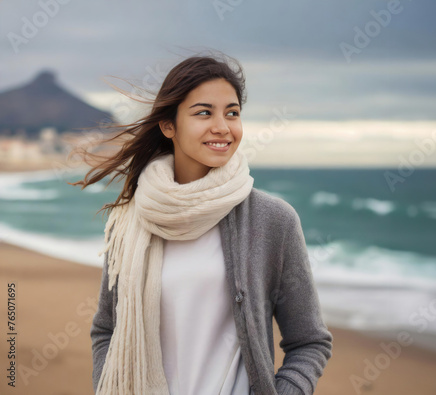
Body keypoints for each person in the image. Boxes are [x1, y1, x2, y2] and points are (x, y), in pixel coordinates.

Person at [72, 50, 332, 395]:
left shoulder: (273, 221)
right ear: (169, 125)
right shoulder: (131, 220)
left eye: (233, 113)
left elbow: (309, 341)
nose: (222, 127)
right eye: (203, 113)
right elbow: (106, 330)